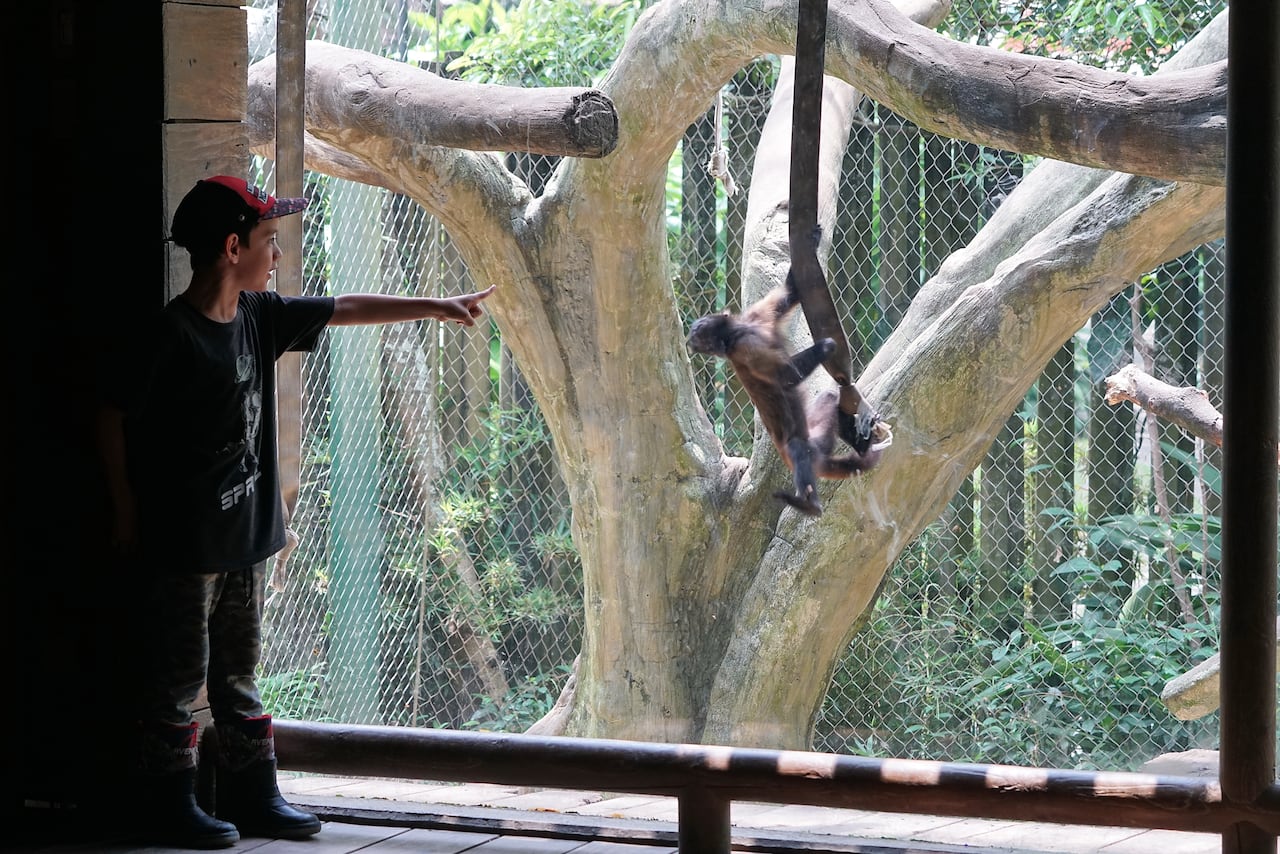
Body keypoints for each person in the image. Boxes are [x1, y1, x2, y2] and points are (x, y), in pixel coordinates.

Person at [96, 175, 496, 849]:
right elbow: (109, 415)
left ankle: (255, 798)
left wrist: (435, 305)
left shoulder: (259, 318)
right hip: (185, 548)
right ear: (232, 247)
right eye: (268, 241)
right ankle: (166, 804)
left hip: (246, 542)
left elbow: (343, 308)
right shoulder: (172, 336)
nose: (277, 254)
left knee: (239, 679)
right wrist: (126, 508)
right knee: (175, 682)